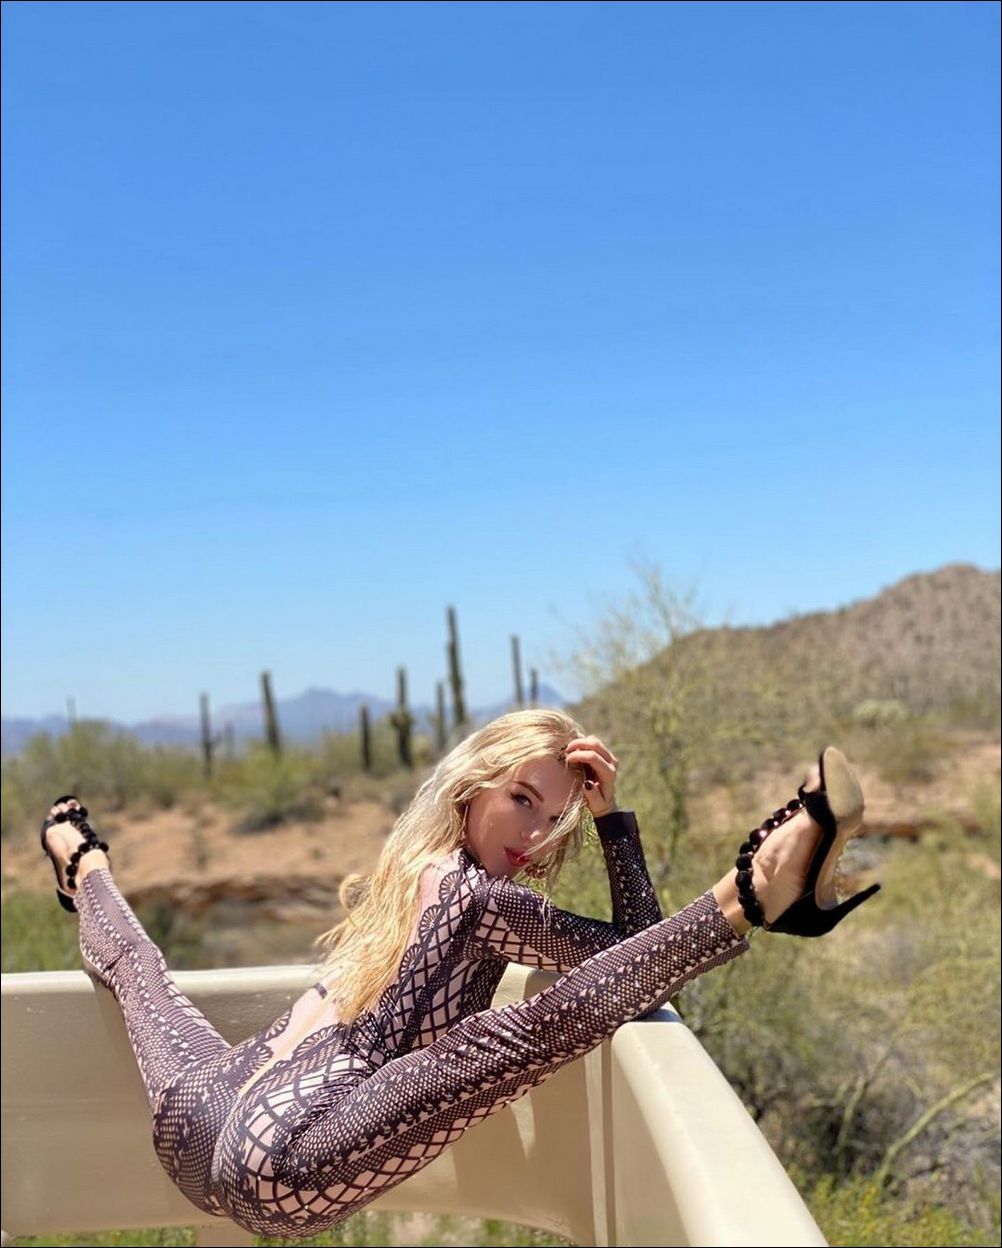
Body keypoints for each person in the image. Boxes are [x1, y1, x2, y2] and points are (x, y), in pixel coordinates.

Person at [39, 709, 879, 1240]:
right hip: (283, 1155)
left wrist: (599, 817)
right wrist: (613, 821)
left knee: (142, 977)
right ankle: (758, 892)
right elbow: (639, 961)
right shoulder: (480, 901)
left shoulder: (412, 871)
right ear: (474, 787)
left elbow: (634, 959)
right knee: (517, 1037)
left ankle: (81, 859)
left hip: (199, 1118)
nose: (535, 834)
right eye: (523, 800)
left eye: (556, 819)